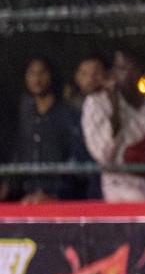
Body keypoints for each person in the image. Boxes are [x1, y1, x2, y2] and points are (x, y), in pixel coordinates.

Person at [81, 47, 145, 203]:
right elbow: (102, 156)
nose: (128, 74)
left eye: (133, 68)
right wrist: (115, 112)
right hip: (116, 194)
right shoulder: (97, 103)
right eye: (121, 68)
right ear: (112, 72)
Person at [6, 57, 87, 203]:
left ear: (52, 75)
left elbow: (78, 160)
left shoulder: (68, 115)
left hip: (60, 200)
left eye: (42, 72)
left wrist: (57, 197)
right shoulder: (24, 116)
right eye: (32, 73)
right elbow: (18, 156)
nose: (37, 78)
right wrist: (8, 186)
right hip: (26, 198)